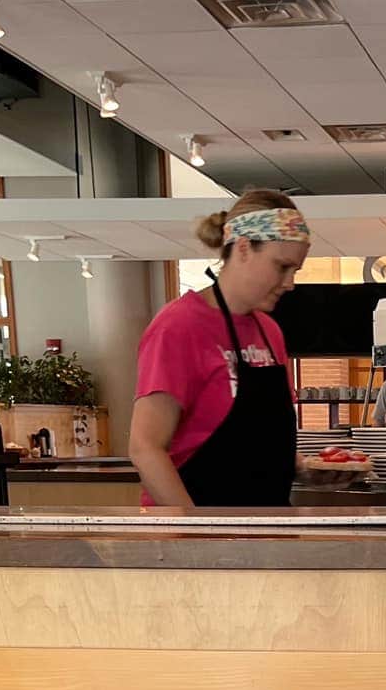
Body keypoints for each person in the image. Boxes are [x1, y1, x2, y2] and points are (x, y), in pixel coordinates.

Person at [129, 190, 309, 511]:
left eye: (295, 270)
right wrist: (197, 531)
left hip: (267, 527)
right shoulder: (179, 326)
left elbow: (257, 444)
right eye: (282, 266)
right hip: (198, 529)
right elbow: (145, 448)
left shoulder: (270, 332)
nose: (290, 282)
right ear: (243, 248)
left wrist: (305, 468)